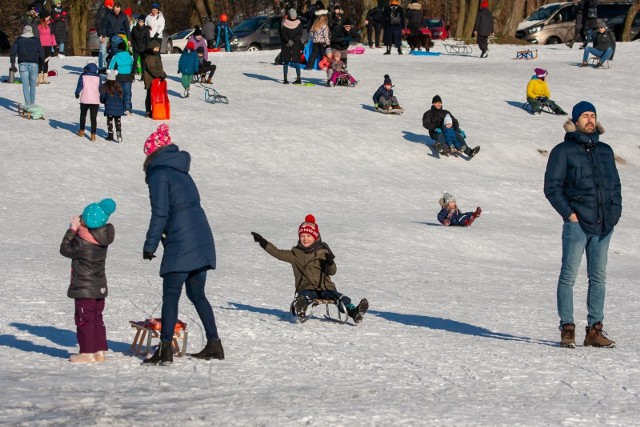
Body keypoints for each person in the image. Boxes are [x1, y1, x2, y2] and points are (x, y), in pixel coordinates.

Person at [142, 124, 224, 365]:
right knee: (197, 294)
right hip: (201, 238)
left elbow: (160, 211)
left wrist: (151, 244)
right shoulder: (182, 171)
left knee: (171, 295)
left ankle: (165, 349)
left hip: (182, 240)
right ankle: (214, 344)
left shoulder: (159, 174)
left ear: (153, 153)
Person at [544, 101, 621, 349]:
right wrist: (570, 214)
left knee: (598, 277)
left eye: (593, 115)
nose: (589, 119)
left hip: (604, 224)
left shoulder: (605, 151)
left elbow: (616, 186)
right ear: (575, 120)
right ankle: (567, 328)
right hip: (577, 224)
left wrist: (615, 212)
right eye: (585, 115)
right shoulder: (563, 151)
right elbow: (552, 188)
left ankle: (594, 330)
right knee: (568, 276)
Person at [250, 214, 369, 323]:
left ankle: (355, 312)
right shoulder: (295, 254)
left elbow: (332, 272)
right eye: (302, 236)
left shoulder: (323, 252)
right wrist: (263, 242)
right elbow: (277, 253)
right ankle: (301, 308)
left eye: (308, 236)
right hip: (306, 287)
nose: (305, 238)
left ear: (315, 237)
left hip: (326, 288)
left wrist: (330, 262)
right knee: (305, 296)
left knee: (340, 298)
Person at [59, 198, 116, 363]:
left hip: (84, 288)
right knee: (97, 318)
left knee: (84, 320)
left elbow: (65, 249)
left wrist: (72, 230)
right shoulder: (101, 238)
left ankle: (87, 353)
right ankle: (99, 351)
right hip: (99, 287)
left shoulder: (82, 242)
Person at [10, 25, 45, 107]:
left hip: (22, 64)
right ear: (31, 31)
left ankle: (28, 104)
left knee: (25, 85)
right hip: (34, 64)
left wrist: (12, 64)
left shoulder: (19, 40)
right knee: (33, 85)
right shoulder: (36, 40)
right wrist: (41, 66)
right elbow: (42, 54)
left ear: (23, 31)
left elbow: (13, 52)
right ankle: (32, 104)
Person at [74, 62, 101, 141]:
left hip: (85, 99)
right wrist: (102, 97)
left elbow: (80, 85)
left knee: (83, 115)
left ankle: (82, 131)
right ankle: (93, 134)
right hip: (95, 100)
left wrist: (77, 93)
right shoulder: (98, 77)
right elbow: (100, 88)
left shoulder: (83, 76)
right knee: (93, 118)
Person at [108, 42, 134, 115]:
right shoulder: (129, 56)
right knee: (127, 93)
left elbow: (111, 67)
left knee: (119, 93)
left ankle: (120, 108)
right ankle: (128, 108)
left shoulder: (115, 56)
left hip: (118, 77)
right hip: (128, 77)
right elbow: (132, 65)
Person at [143, 39, 166, 117]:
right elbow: (151, 68)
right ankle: (148, 111)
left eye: (158, 48)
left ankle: (154, 110)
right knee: (150, 95)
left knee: (154, 95)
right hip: (150, 79)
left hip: (155, 78)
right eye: (156, 48)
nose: (157, 50)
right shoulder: (150, 57)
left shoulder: (155, 55)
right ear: (151, 48)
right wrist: (160, 74)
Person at [280, 9, 304, 84]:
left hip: (287, 44)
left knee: (286, 62)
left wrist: (288, 41)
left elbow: (283, 34)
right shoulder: (299, 23)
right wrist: (294, 40)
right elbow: (300, 33)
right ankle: (299, 78)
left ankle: (285, 79)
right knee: (296, 62)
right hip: (296, 44)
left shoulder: (285, 23)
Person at [100, 70, 124, 142]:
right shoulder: (119, 86)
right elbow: (122, 96)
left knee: (110, 120)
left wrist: (103, 101)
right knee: (118, 120)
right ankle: (119, 132)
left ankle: (110, 135)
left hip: (109, 107)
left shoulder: (105, 86)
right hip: (119, 107)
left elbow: (102, 97)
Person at [37, 11, 56, 85]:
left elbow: (52, 35)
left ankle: (45, 77)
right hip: (41, 45)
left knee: (46, 61)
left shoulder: (50, 25)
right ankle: (39, 77)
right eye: (48, 16)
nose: (49, 17)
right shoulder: (38, 25)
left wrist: (54, 45)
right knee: (40, 61)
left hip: (48, 45)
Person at [95, 0, 114, 71]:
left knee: (104, 51)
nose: (112, 7)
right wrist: (100, 34)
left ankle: (102, 66)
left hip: (108, 34)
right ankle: (103, 67)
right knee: (103, 51)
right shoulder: (102, 11)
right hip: (103, 34)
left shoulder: (109, 11)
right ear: (108, 5)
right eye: (111, 5)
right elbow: (97, 23)